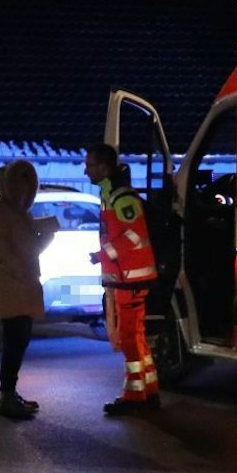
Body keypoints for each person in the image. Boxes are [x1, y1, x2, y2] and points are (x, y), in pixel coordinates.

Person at [86, 142, 160, 415]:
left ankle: (134, 397)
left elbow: (132, 235)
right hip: (126, 277)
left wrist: (102, 255)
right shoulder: (112, 195)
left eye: (90, 165)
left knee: (129, 338)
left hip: (130, 278)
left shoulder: (121, 197)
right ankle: (149, 391)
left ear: (104, 168)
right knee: (136, 336)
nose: (85, 171)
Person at [0, 159, 55, 420]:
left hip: (22, 285)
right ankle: (7, 395)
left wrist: (46, 235)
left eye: (29, 185)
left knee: (20, 339)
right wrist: (18, 269)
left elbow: (30, 249)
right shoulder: (0, 212)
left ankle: (10, 393)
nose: (25, 191)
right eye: (20, 184)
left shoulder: (22, 214)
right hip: (10, 286)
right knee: (14, 341)